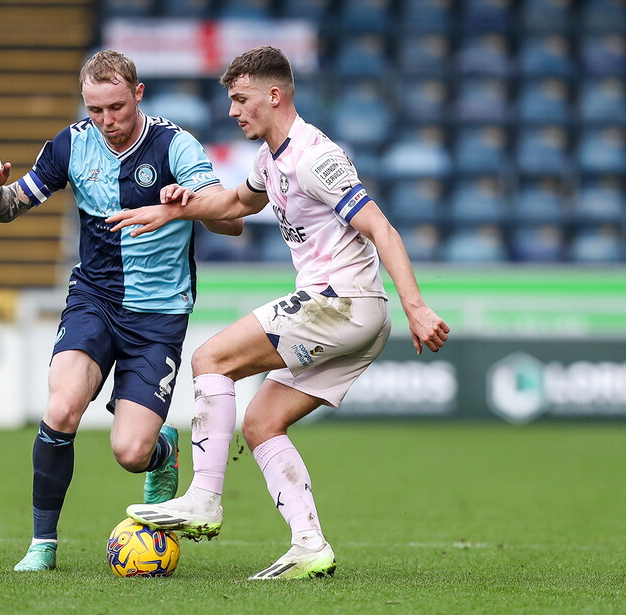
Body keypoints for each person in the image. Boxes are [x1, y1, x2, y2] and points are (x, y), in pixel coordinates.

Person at [108, 46, 450, 580]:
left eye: (241, 99)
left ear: (275, 94)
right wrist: (174, 207)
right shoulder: (271, 160)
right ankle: (309, 545)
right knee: (262, 422)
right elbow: (238, 206)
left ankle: (203, 497)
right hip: (355, 317)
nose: (232, 111)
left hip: (342, 302)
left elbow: (381, 227)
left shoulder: (315, 156)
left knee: (210, 359)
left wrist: (418, 307)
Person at [0, 50, 243, 572]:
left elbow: (230, 220)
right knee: (60, 409)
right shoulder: (72, 145)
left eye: (116, 107)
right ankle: (42, 545)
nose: (107, 122)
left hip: (158, 319)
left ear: (138, 94)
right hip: (93, 300)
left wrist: (185, 202)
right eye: (95, 109)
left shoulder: (175, 145)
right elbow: (9, 208)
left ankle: (162, 452)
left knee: (129, 453)